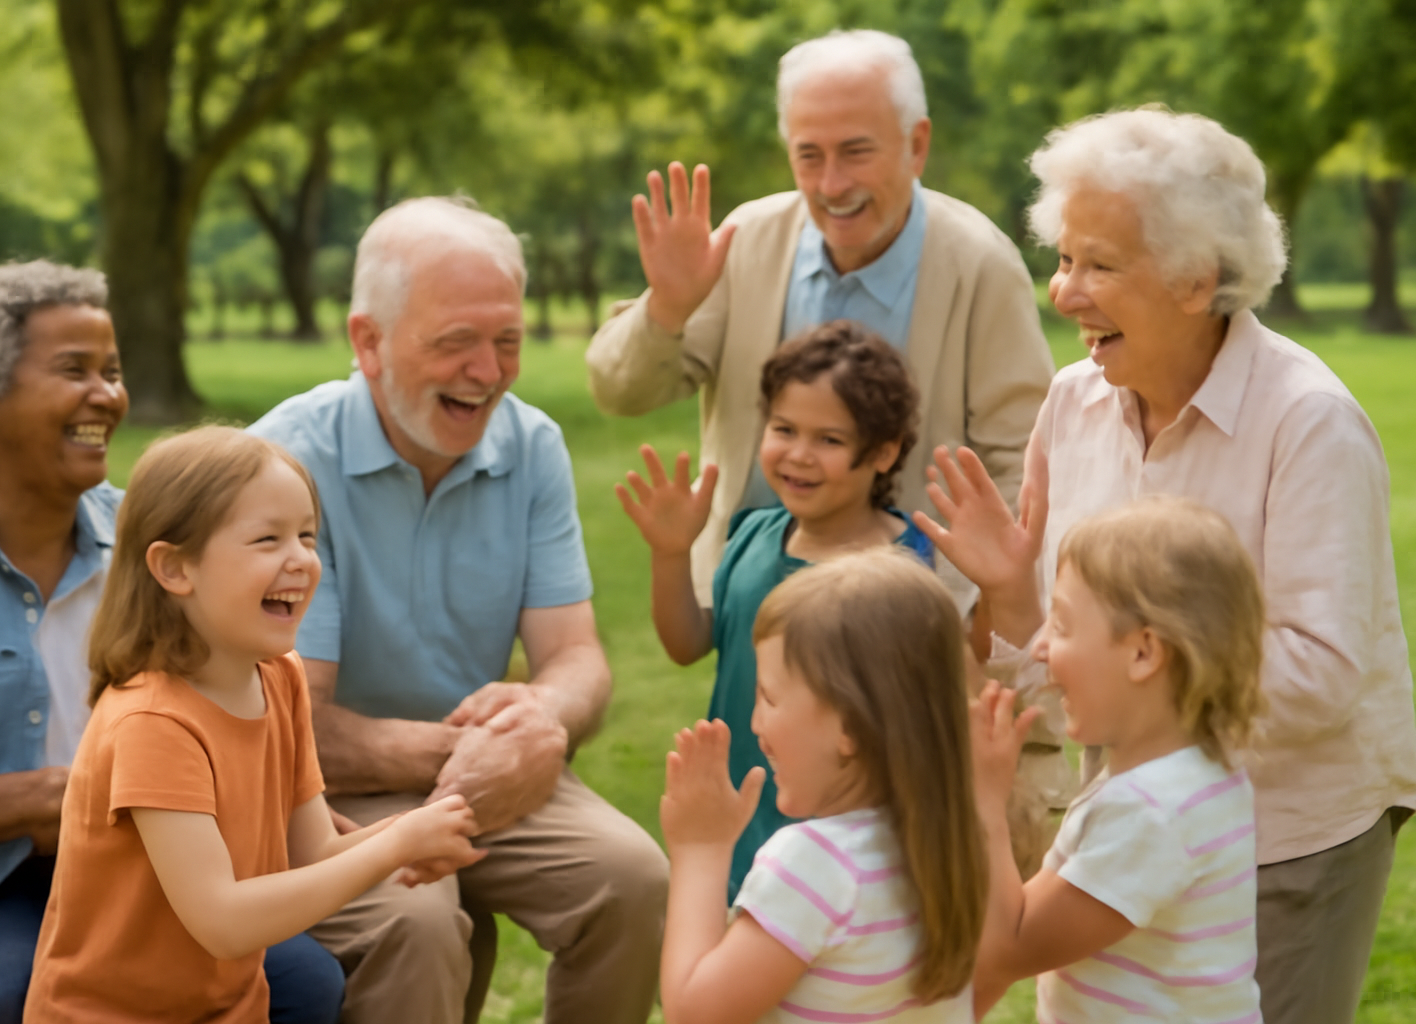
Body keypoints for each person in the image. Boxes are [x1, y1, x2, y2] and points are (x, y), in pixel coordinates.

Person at [916, 108, 1416, 1024]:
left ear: (1197, 280)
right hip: (1124, 828)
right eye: (1064, 259)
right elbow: (1064, 651)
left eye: (1099, 265)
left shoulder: (1309, 422)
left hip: (1288, 836)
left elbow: (1321, 676)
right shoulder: (1071, 404)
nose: (1064, 293)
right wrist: (1013, 598)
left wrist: (1134, 691)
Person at [0, 262, 342, 1024]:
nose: (108, 395)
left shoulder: (155, 540)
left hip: (155, 865)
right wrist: (58, 795)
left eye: (114, 371)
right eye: (75, 370)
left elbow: (241, 695)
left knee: (304, 978)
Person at [251, 196, 669, 1024]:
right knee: (418, 919)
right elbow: (297, 718)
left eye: (506, 341)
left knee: (633, 877)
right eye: (456, 343)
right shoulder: (283, 463)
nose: (489, 371)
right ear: (367, 342)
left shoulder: (533, 445)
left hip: (487, 765)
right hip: (326, 787)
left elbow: (576, 656)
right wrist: (473, 756)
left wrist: (545, 719)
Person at [586, 29, 1053, 616]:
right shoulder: (745, 240)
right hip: (751, 603)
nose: (832, 185)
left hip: (909, 622)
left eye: (856, 151)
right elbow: (618, 390)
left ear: (916, 145)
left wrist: (974, 617)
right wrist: (668, 310)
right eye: (810, 155)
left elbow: (1021, 464)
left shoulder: (983, 265)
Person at [24, 427, 483, 1022]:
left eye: (308, 536)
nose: (301, 559)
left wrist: (410, 833)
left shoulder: (280, 677)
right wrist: (392, 845)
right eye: (267, 539)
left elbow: (314, 851)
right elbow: (223, 920)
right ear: (173, 568)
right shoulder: (152, 722)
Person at [618, 321, 932, 900]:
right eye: (783, 429)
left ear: (884, 453)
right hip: (734, 837)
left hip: (841, 863)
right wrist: (670, 555)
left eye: (829, 440)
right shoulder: (753, 533)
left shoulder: (903, 570)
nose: (798, 456)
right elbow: (689, 643)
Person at [658, 550, 985, 1023]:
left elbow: (694, 1013)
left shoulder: (815, 865)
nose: (755, 723)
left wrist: (700, 848)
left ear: (849, 725)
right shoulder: (953, 844)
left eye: (770, 697)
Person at [971, 498, 1265, 1022]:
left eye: (1061, 625)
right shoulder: (1201, 771)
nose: (1040, 647)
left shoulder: (1149, 811)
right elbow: (1027, 911)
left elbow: (1008, 946)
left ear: (1143, 653)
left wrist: (985, 803)